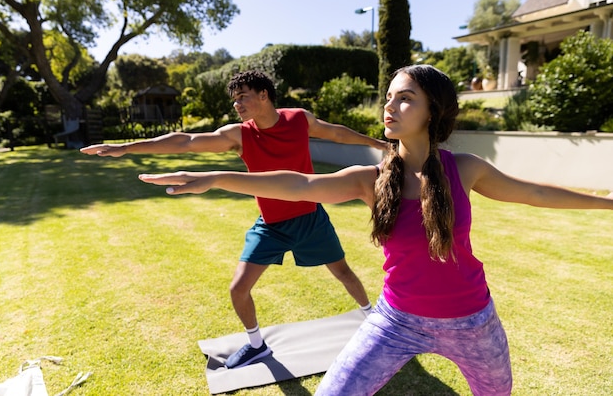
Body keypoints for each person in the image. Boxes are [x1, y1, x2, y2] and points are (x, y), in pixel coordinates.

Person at [137, 64, 613, 394]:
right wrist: (215, 176)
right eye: (389, 98)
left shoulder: (464, 169)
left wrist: (608, 201)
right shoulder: (373, 178)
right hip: (396, 321)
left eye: (405, 99)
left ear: (434, 110)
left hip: (472, 323)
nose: (390, 106)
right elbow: (300, 185)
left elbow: (538, 194)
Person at [80, 70, 387, 369]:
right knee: (238, 289)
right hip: (270, 225)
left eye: (243, 97)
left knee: (344, 273)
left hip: (310, 219)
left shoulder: (298, 120)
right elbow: (185, 141)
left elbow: (335, 132)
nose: (236, 104)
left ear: (264, 95)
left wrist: (377, 144)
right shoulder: (239, 135)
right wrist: (125, 148)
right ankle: (257, 346)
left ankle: (372, 321)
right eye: (234, 99)